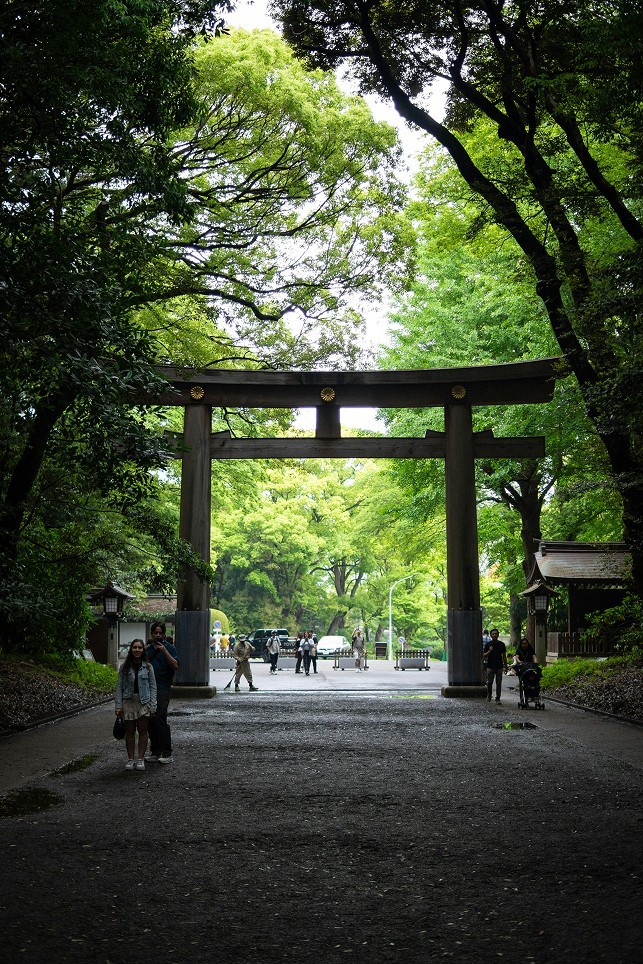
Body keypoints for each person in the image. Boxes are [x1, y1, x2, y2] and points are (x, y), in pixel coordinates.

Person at [115, 638, 157, 770]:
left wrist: (153, 705)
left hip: (144, 701)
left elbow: (153, 687)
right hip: (128, 701)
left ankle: (140, 759)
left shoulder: (148, 667)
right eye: (135, 647)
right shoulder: (124, 667)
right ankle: (130, 759)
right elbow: (119, 687)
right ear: (131, 649)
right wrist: (118, 705)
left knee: (143, 730)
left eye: (140, 647)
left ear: (143, 650)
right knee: (129, 731)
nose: (137, 650)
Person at [146, 621, 179, 764]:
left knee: (160, 718)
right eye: (156, 633)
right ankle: (155, 750)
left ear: (164, 634)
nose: (158, 635)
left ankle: (167, 752)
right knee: (150, 720)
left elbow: (176, 666)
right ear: (152, 634)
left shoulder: (170, 648)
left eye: (160, 633)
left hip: (163, 687)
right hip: (148, 688)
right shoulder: (147, 650)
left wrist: (164, 651)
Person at [483, 627, 508, 703]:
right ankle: (489, 695)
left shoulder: (501, 644)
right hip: (490, 666)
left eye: (496, 634)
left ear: (498, 635)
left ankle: (498, 698)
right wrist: (490, 651)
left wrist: (505, 666)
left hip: (499, 666)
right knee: (489, 682)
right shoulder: (488, 644)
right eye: (493, 634)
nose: (494, 635)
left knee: (499, 683)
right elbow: (484, 655)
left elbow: (504, 656)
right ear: (490, 635)